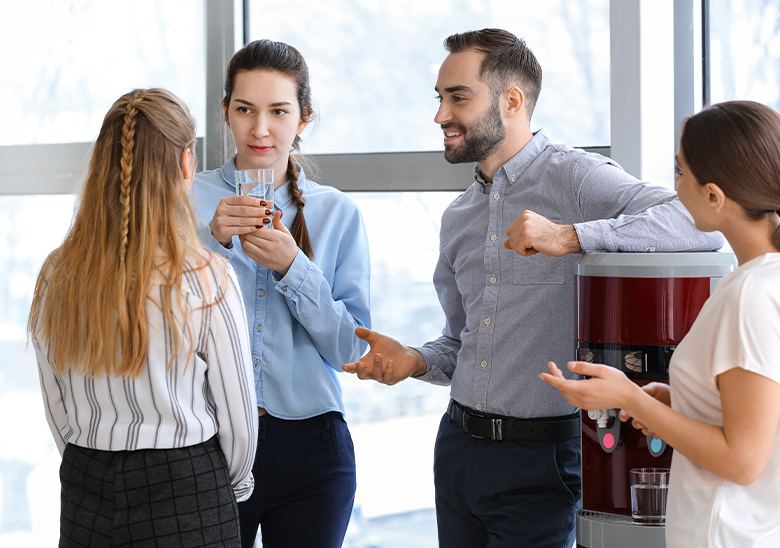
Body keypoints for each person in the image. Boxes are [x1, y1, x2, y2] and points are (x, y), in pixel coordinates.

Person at [342, 28, 724, 548]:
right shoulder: (458, 218)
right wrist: (414, 359)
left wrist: (569, 236)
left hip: (542, 461)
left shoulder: (577, 180)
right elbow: (462, 342)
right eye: (439, 99)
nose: (440, 116)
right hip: (457, 448)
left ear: (512, 100)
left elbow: (692, 220)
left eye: (458, 98)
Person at [541, 100, 780, 548]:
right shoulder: (763, 282)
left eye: (680, 172)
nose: (674, 188)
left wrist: (629, 396)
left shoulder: (749, 295)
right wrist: (678, 402)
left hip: (726, 535)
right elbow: (759, 416)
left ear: (714, 196)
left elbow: (743, 461)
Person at [28, 88, 258, 548]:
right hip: (188, 486)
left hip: (86, 485)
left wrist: (93, 458)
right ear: (186, 164)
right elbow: (239, 419)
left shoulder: (58, 271)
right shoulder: (205, 275)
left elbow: (57, 406)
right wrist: (227, 488)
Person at [191, 39, 371, 548]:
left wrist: (295, 268)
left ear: (304, 117)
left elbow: (351, 350)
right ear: (225, 112)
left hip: (313, 448)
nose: (260, 129)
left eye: (278, 111)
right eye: (244, 109)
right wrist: (211, 243)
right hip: (207, 443)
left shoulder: (338, 213)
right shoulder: (186, 201)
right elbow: (157, 325)